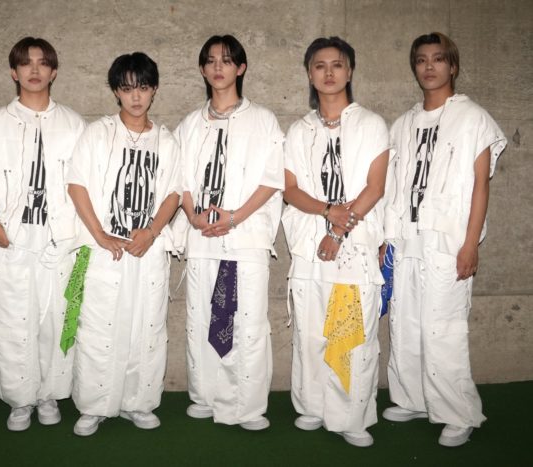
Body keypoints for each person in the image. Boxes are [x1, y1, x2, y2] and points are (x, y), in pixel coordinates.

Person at [383, 32, 506, 447]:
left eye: (438, 59)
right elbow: (392, 188)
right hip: (407, 239)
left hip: (447, 241)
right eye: (421, 60)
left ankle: (457, 412)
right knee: (405, 324)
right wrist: (387, 239)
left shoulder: (473, 118)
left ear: (452, 66)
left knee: (444, 328)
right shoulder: (404, 124)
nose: (429, 67)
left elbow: (480, 185)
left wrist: (470, 243)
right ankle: (413, 399)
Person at [0, 36, 86, 431]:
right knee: (13, 317)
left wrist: (74, 234)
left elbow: (83, 183)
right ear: (14, 71)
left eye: (42, 63)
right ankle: (20, 399)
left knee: (56, 316)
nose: (34, 70)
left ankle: (49, 394)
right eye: (26, 63)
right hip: (14, 233)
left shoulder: (73, 123)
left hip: (59, 234)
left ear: (53, 71)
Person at [282, 36, 389, 447]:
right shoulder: (300, 130)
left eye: (337, 65)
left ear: (350, 72)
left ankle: (350, 416)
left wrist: (339, 231)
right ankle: (313, 406)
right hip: (309, 244)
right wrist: (328, 212)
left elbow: (375, 187)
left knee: (349, 332)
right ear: (310, 74)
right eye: (320, 66)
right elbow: (290, 189)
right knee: (310, 332)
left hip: (353, 246)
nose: (329, 73)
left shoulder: (371, 124)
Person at [67, 52, 181, 436]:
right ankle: (93, 406)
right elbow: (77, 185)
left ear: (154, 90)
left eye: (143, 88)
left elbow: (174, 193)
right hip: (104, 251)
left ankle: (139, 402)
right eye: (128, 88)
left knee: (146, 326)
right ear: (116, 91)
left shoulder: (166, 140)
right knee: (98, 326)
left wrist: (152, 231)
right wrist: (99, 234)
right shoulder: (97, 133)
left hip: (147, 250)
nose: (136, 96)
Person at [174, 34, 284, 431]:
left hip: (245, 237)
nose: (218, 67)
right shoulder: (190, 124)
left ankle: (246, 406)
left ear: (241, 67)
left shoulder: (263, 120)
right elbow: (179, 179)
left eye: (226, 59)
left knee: (245, 321)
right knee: (203, 316)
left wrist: (235, 217)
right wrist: (193, 215)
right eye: (210, 60)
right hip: (202, 237)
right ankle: (205, 395)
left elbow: (272, 179)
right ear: (202, 70)